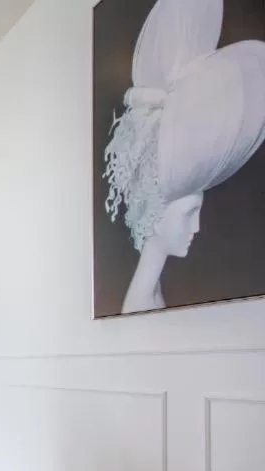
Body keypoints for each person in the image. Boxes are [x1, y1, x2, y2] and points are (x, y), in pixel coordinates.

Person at [104, 0, 265, 314]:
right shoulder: (139, 302)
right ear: (155, 207)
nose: (197, 228)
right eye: (190, 212)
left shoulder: (148, 295)